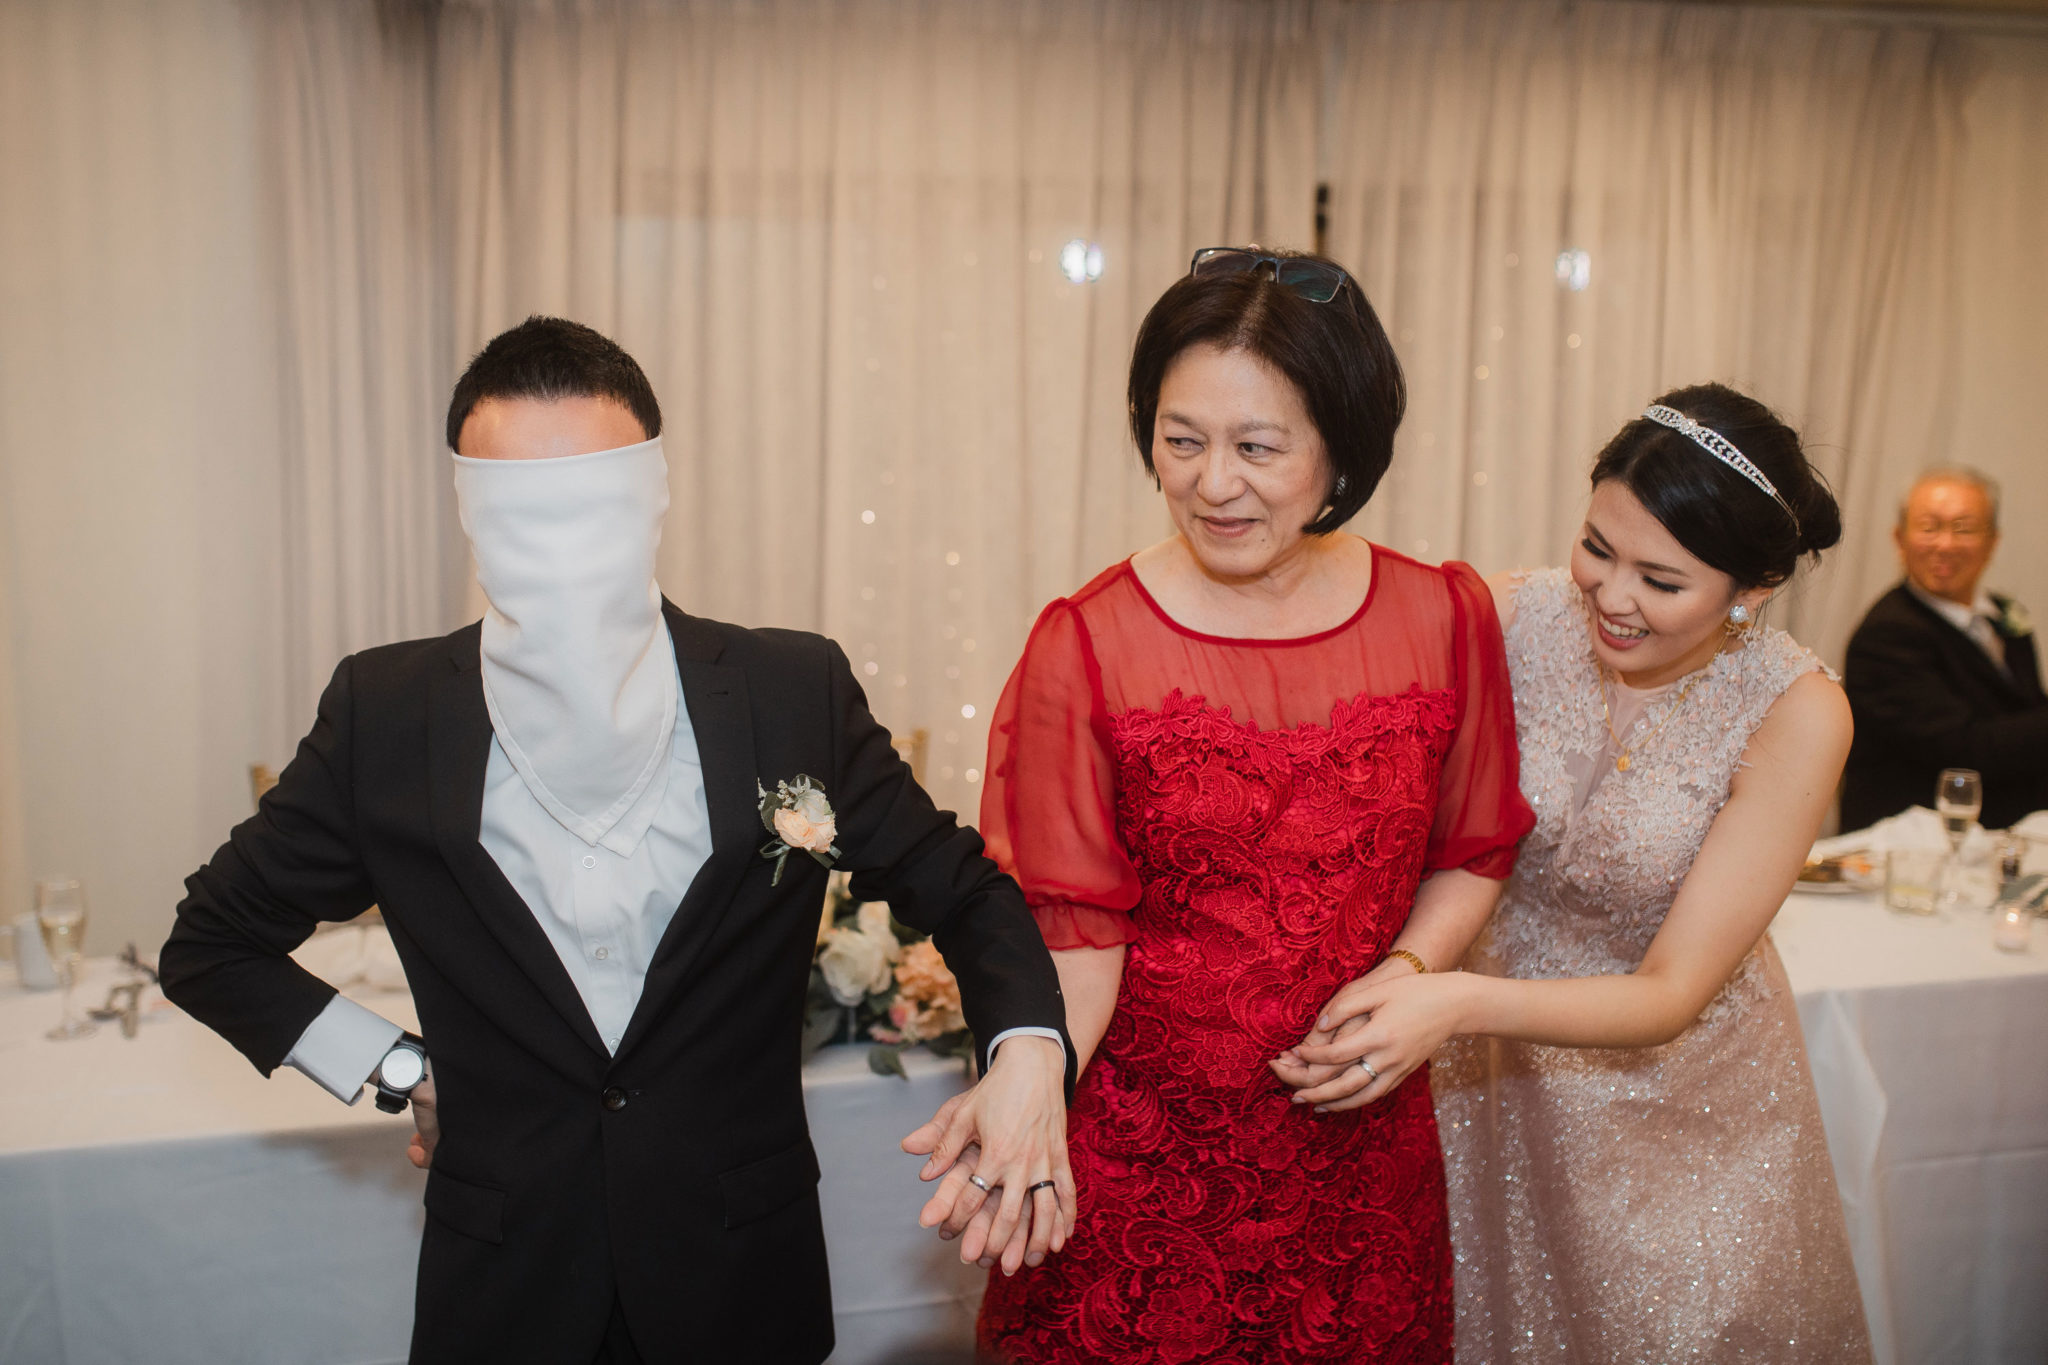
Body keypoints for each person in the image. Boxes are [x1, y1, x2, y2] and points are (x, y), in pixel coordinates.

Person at [159, 316, 1075, 1365]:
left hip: (738, 1274)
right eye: (520, 515)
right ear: (467, 512)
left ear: (654, 496)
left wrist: (1028, 1057)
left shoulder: (788, 690)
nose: (559, 550)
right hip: (506, 1287)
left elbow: (964, 891)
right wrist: (400, 1067)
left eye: (590, 506)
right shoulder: (390, 710)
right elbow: (211, 942)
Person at [928, 247, 1533, 1363]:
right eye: (1180, 439)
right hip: (1142, 1168)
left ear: (1341, 446)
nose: (1212, 483)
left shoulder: (1442, 617)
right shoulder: (1087, 641)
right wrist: (1030, 1076)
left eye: (1257, 447)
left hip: (1360, 1143)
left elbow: (1474, 847)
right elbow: (1073, 928)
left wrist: (1407, 978)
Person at [1278, 384, 1871, 1361]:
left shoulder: (1795, 711)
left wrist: (1452, 1003)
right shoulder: (1511, 616)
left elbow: (1671, 990)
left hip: (1683, 1103)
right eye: (1595, 548)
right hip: (1492, 1084)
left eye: (1660, 579)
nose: (1610, 596)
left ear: (1750, 589)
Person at [1840, 467, 2046, 832]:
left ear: (1993, 541)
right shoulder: (1887, 634)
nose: (1945, 544)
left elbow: (2027, 708)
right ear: (1899, 538)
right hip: (1912, 846)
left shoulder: (2005, 613)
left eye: (1963, 528)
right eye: (1930, 527)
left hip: (2010, 833)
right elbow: (1964, 749)